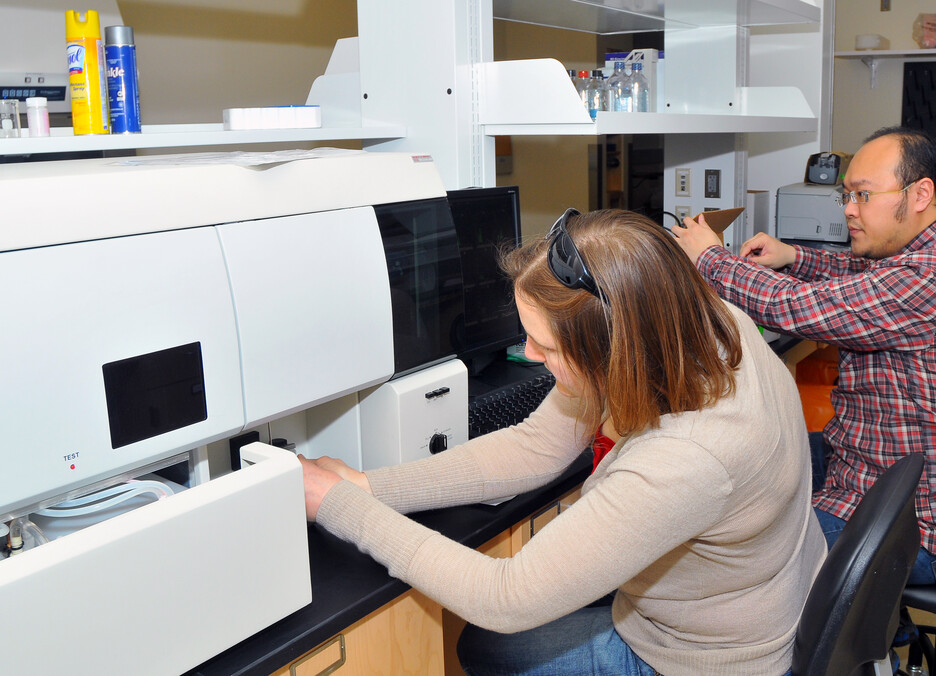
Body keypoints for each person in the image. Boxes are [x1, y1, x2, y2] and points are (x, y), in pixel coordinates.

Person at [300, 208, 826, 676]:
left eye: (545, 344)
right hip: (769, 600)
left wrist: (337, 505)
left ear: (610, 348)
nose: (527, 354)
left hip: (701, 660)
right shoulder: (702, 326)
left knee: (486, 647)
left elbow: (503, 597)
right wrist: (369, 485)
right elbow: (537, 446)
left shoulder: (687, 458)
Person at [671, 126, 936, 589]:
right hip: (892, 476)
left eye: (863, 196)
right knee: (750, 460)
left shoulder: (934, 278)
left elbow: (792, 308)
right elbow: (865, 276)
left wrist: (710, 259)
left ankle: (852, 635)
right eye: (846, 196)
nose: (849, 211)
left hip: (922, 529)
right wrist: (794, 256)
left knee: (739, 562)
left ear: (920, 194)